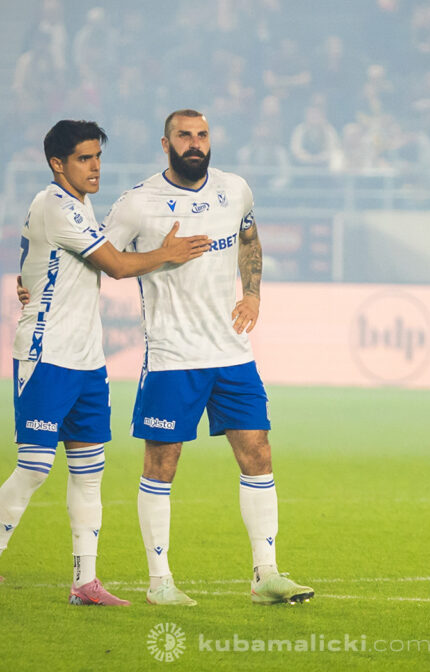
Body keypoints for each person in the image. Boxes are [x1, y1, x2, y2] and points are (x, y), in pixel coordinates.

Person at [0, 119, 211, 609]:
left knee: (88, 471)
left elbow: (39, 263)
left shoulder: (79, 205)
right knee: (35, 467)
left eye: (98, 156)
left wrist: (26, 280)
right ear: (57, 163)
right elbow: (115, 266)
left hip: (86, 360)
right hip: (46, 354)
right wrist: (166, 254)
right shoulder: (54, 205)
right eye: (84, 158)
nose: (95, 166)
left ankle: (86, 580)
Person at [101, 109, 314, 606]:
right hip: (172, 355)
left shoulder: (234, 189)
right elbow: (105, 262)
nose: (195, 143)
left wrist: (252, 294)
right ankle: (160, 582)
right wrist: (162, 255)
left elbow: (249, 238)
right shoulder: (137, 203)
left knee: (258, 453)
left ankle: (266, 574)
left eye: (202, 135)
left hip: (232, 352)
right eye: (184, 136)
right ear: (166, 143)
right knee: (162, 462)